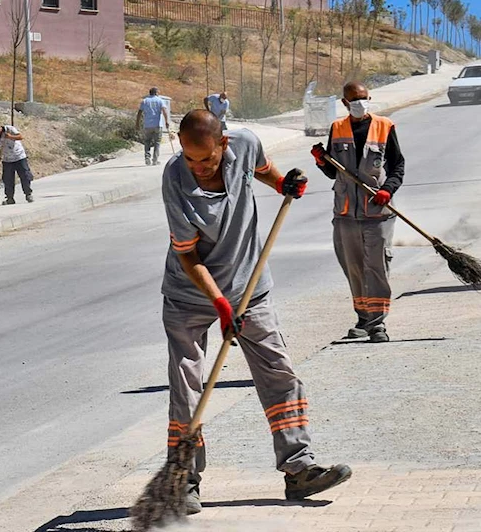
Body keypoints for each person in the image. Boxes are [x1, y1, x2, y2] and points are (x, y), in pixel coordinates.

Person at [161, 110, 351, 514]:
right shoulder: (175, 177)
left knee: (279, 373)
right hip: (190, 296)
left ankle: (299, 469)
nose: (198, 168)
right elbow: (188, 255)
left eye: (206, 159)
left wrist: (282, 184)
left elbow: (261, 169)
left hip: (249, 286)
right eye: (190, 159)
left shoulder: (245, 143)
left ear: (224, 144)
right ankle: (183, 481)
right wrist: (220, 304)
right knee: (187, 387)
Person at [310, 81, 404, 343]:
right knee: (353, 268)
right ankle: (363, 319)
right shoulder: (337, 128)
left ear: (369, 98)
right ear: (345, 103)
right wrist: (321, 160)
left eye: (363, 98)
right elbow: (334, 172)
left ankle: (378, 324)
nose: (360, 103)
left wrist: (388, 190)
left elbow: (398, 165)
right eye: (354, 100)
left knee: (376, 267)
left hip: (377, 212)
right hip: (345, 214)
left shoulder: (385, 126)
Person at [0, 121, 34, 205]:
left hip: (19, 156)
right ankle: (10, 198)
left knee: (25, 176)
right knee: (7, 179)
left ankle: (28, 194)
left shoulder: (9, 129)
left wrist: (10, 136)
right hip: (7, 159)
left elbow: (20, 137)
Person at [136, 87, 170, 166]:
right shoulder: (160, 100)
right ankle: (155, 160)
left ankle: (147, 158)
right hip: (157, 124)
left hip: (147, 125)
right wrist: (167, 121)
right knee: (157, 142)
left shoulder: (145, 101)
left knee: (147, 142)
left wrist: (137, 123)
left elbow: (139, 112)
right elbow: (164, 111)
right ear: (156, 93)